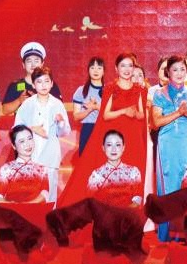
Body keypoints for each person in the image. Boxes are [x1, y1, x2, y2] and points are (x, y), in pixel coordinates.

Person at [61, 53, 149, 209]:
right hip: (114, 136)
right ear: (116, 68)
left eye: (130, 66)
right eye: (123, 66)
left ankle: (129, 214)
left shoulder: (140, 89)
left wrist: (136, 113)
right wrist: (123, 111)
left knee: (132, 176)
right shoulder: (110, 88)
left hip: (133, 138)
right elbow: (105, 115)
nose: (127, 69)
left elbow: (142, 115)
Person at [152, 56, 187, 241]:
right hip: (168, 145)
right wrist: (177, 113)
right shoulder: (159, 94)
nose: (179, 73)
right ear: (168, 72)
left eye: (182, 69)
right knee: (170, 187)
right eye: (175, 70)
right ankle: (168, 234)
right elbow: (156, 122)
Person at [13, 66, 69, 203]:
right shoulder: (27, 104)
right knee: (30, 196)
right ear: (33, 84)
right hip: (29, 157)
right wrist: (33, 129)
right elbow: (16, 129)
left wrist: (61, 123)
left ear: (52, 83)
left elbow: (65, 132)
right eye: (39, 82)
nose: (43, 85)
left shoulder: (57, 104)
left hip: (50, 157)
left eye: (46, 81)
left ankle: (50, 218)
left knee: (50, 197)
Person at [1, 42, 61, 118]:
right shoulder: (16, 85)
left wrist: (36, 100)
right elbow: (5, 110)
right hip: (23, 124)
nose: (33, 64)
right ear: (23, 65)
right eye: (29, 61)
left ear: (42, 63)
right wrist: (19, 100)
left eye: (36, 61)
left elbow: (59, 108)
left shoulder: (49, 84)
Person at [86, 129, 144, 207]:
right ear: (103, 148)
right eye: (109, 145)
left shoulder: (133, 171)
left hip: (128, 213)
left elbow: (138, 198)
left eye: (118, 145)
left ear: (123, 147)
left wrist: (124, 211)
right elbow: (91, 202)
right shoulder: (97, 174)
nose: (114, 149)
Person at [0, 126, 50, 203]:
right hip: (11, 209)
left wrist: (27, 205)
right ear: (14, 146)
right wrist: (13, 206)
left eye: (30, 139)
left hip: (35, 209)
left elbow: (45, 194)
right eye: (22, 141)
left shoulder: (42, 169)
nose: (28, 144)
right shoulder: (6, 169)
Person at [71, 57, 106, 156]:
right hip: (87, 129)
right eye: (92, 67)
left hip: (104, 129)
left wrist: (96, 107)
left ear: (103, 71)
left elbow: (111, 114)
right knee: (85, 159)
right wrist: (89, 110)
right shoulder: (81, 90)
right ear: (88, 70)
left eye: (99, 68)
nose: (96, 71)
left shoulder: (109, 90)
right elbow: (76, 116)